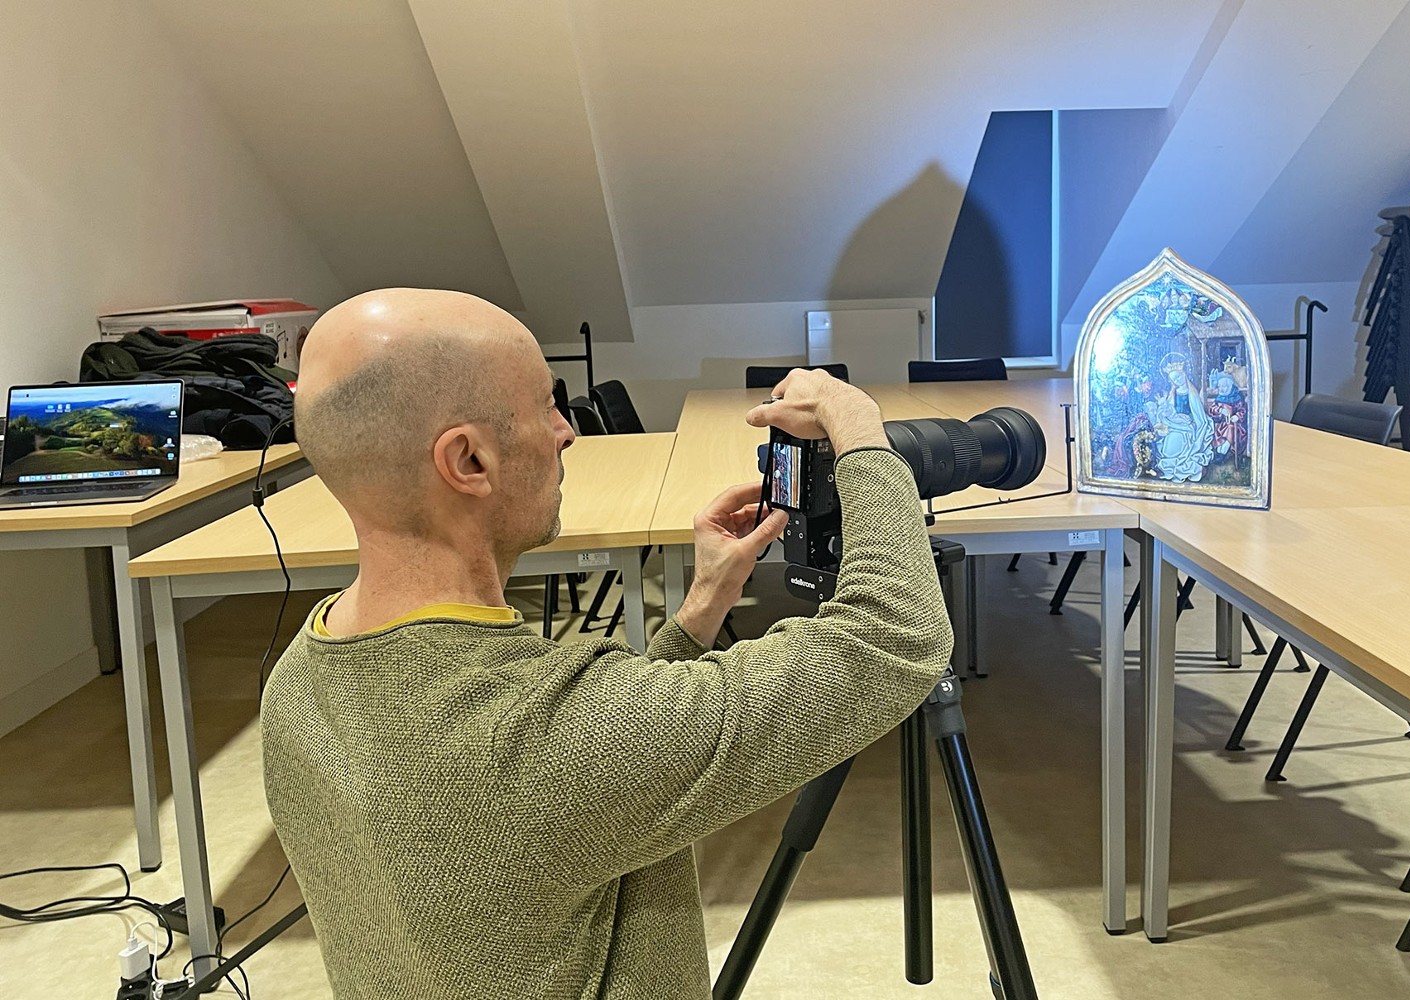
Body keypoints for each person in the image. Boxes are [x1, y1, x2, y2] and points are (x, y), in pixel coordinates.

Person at [260, 288, 954, 999]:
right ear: (468, 461)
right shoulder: (540, 736)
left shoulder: (296, 680)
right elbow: (894, 638)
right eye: (546, 406)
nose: (566, 432)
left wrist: (701, 606)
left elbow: (584, 781)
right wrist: (857, 428)